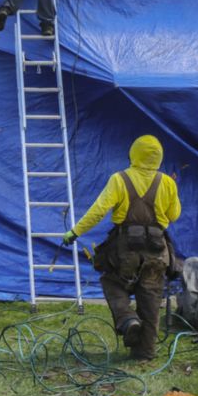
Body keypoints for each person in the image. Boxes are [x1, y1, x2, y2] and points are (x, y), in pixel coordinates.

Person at [62, 135, 181, 361]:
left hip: (126, 249)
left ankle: (128, 319)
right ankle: (144, 353)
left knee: (113, 282)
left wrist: (75, 232)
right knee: (151, 297)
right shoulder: (167, 182)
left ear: (133, 153)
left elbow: (98, 211)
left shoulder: (120, 179)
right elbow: (174, 215)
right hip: (158, 251)